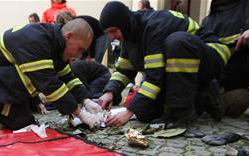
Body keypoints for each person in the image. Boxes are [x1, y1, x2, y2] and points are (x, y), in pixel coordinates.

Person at [0, 19, 102, 136]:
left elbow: (68, 76)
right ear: (68, 36)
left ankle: (3, 116)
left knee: (25, 127)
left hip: (7, 93)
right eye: (80, 49)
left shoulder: (56, 45)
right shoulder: (37, 41)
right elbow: (51, 86)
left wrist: (86, 99)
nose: (79, 55)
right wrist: (80, 114)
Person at [97, 2, 231, 128]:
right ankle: (200, 95)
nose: (111, 37)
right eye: (108, 33)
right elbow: (124, 70)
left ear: (124, 23)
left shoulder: (153, 27)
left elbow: (154, 78)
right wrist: (110, 92)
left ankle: (182, 110)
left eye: (113, 31)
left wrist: (128, 112)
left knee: (176, 42)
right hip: (190, 63)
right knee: (145, 113)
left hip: (213, 56)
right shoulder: (129, 34)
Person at [201, 0, 249, 117]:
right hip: (218, 79)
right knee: (240, 98)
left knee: (241, 98)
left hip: (239, 75)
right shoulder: (208, 20)